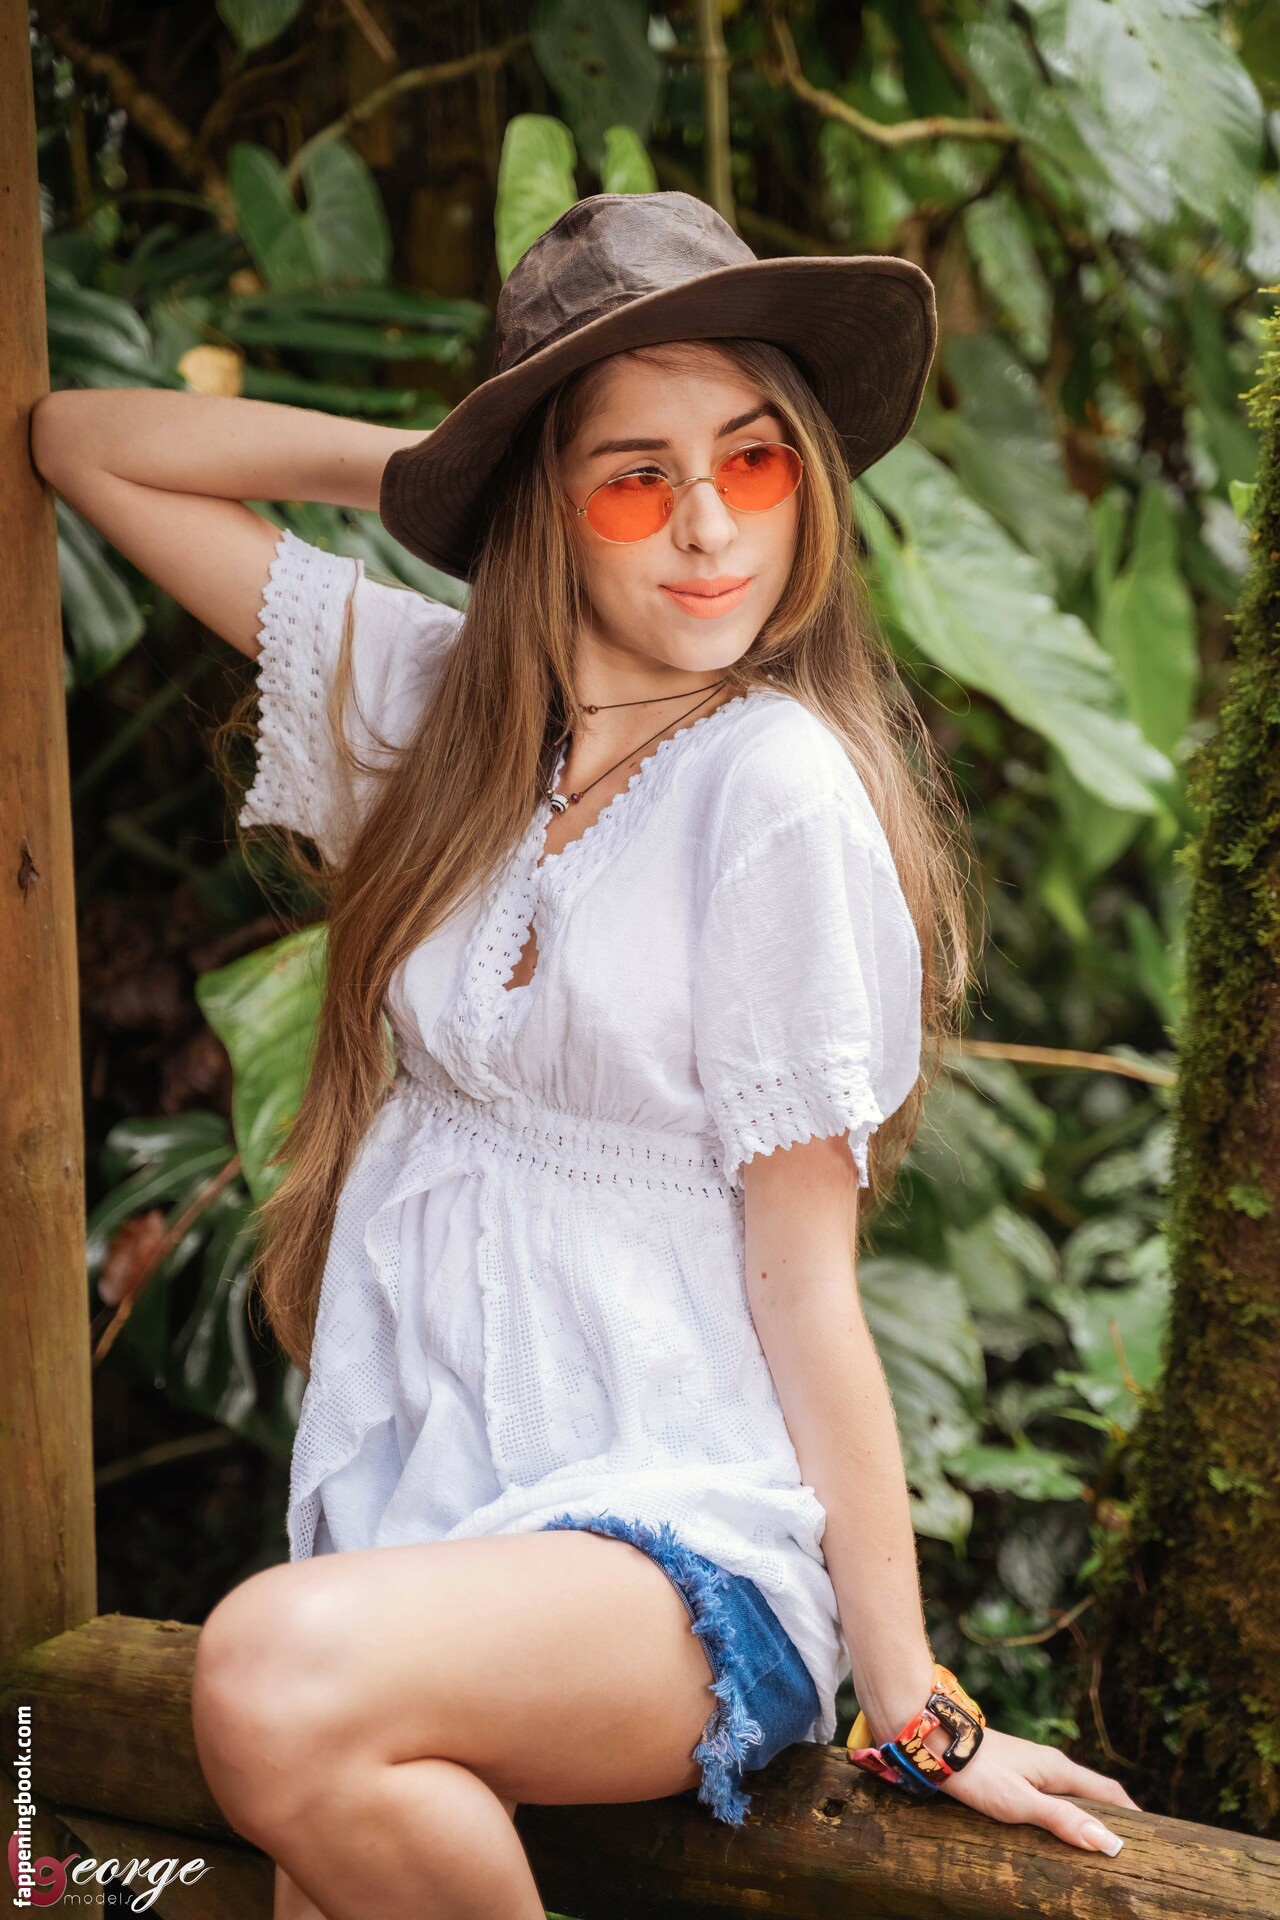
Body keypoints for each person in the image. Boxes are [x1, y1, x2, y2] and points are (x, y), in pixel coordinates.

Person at [32, 191, 1136, 1920]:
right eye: (632, 479)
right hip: (441, 1527)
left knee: (262, 1678)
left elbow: (805, 1283)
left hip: (680, 1547)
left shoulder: (771, 787)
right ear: (544, 509)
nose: (708, 525)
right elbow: (86, 444)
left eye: (755, 460)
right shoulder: (447, 718)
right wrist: (454, 469)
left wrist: (914, 1703)